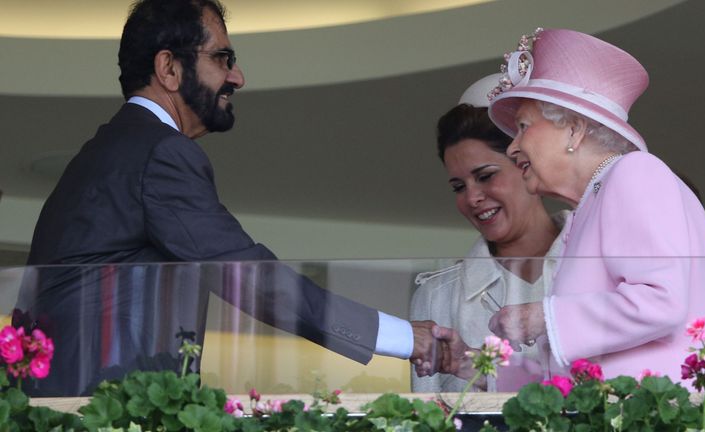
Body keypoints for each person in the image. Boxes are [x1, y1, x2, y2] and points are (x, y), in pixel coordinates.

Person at [23, 0, 437, 395]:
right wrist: (405, 337)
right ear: (168, 68)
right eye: (222, 59)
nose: (237, 77)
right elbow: (250, 277)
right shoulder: (160, 151)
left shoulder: (109, 150)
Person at [477, 28, 705, 383]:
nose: (513, 148)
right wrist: (475, 366)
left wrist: (541, 317)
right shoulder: (592, 205)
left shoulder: (635, 173)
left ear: (574, 130)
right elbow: (583, 366)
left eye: (523, 126)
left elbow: (661, 301)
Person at [410, 75, 565, 392]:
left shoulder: (603, 263)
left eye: (485, 176)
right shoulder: (438, 296)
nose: (471, 198)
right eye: (458, 187)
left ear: (526, 165)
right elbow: (428, 418)